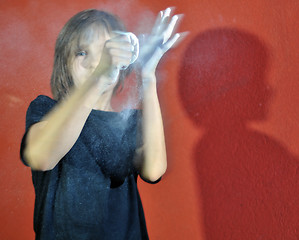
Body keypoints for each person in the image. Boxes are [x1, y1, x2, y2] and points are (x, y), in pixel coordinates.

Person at [20, 8, 185, 240]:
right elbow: (40, 155)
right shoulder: (47, 110)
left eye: (106, 53)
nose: (95, 62)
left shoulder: (128, 122)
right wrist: (98, 79)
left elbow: (154, 169)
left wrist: (148, 75)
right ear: (63, 64)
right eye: (81, 53)